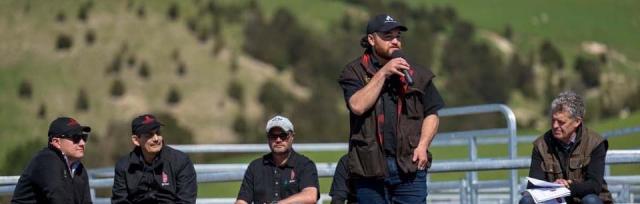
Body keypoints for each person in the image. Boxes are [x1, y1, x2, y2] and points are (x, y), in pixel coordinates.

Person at [338, 13, 444, 203]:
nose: (395, 41)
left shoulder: (417, 73)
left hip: (409, 167)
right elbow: (357, 106)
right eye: (388, 37)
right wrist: (384, 73)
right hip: (369, 168)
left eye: (398, 37)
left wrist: (423, 146)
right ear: (371, 39)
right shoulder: (353, 72)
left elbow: (432, 114)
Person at [520, 91, 612, 204]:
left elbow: (594, 185)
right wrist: (555, 187)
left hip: (583, 199)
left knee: (591, 200)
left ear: (577, 121)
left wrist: (568, 186)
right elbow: (533, 185)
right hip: (553, 200)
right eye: (553, 120)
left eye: (561, 122)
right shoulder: (541, 145)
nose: (555, 126)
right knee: (526, 200)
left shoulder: (596, 143)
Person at [112, 114, 197, 204]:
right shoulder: (124, 166)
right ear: (136, 140)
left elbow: (186, 201)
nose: (156, 139)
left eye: (158, 133)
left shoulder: (180, 161)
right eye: (149, 135)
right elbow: (120, 200)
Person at [236, 115, 319, 204]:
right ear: (268, 138)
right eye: (273, 136)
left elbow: (310, 196)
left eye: (283, 135)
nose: (278, 140)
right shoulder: (255, 167)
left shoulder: (305, 165)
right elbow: (242, 201)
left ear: (292, 136)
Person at [12, 117, 93, 204]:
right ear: (56, 142)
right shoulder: (47, 161)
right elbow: (60, 199)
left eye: (84, 137)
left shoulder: (78, 168)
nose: (82, 143)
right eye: (76, 138)